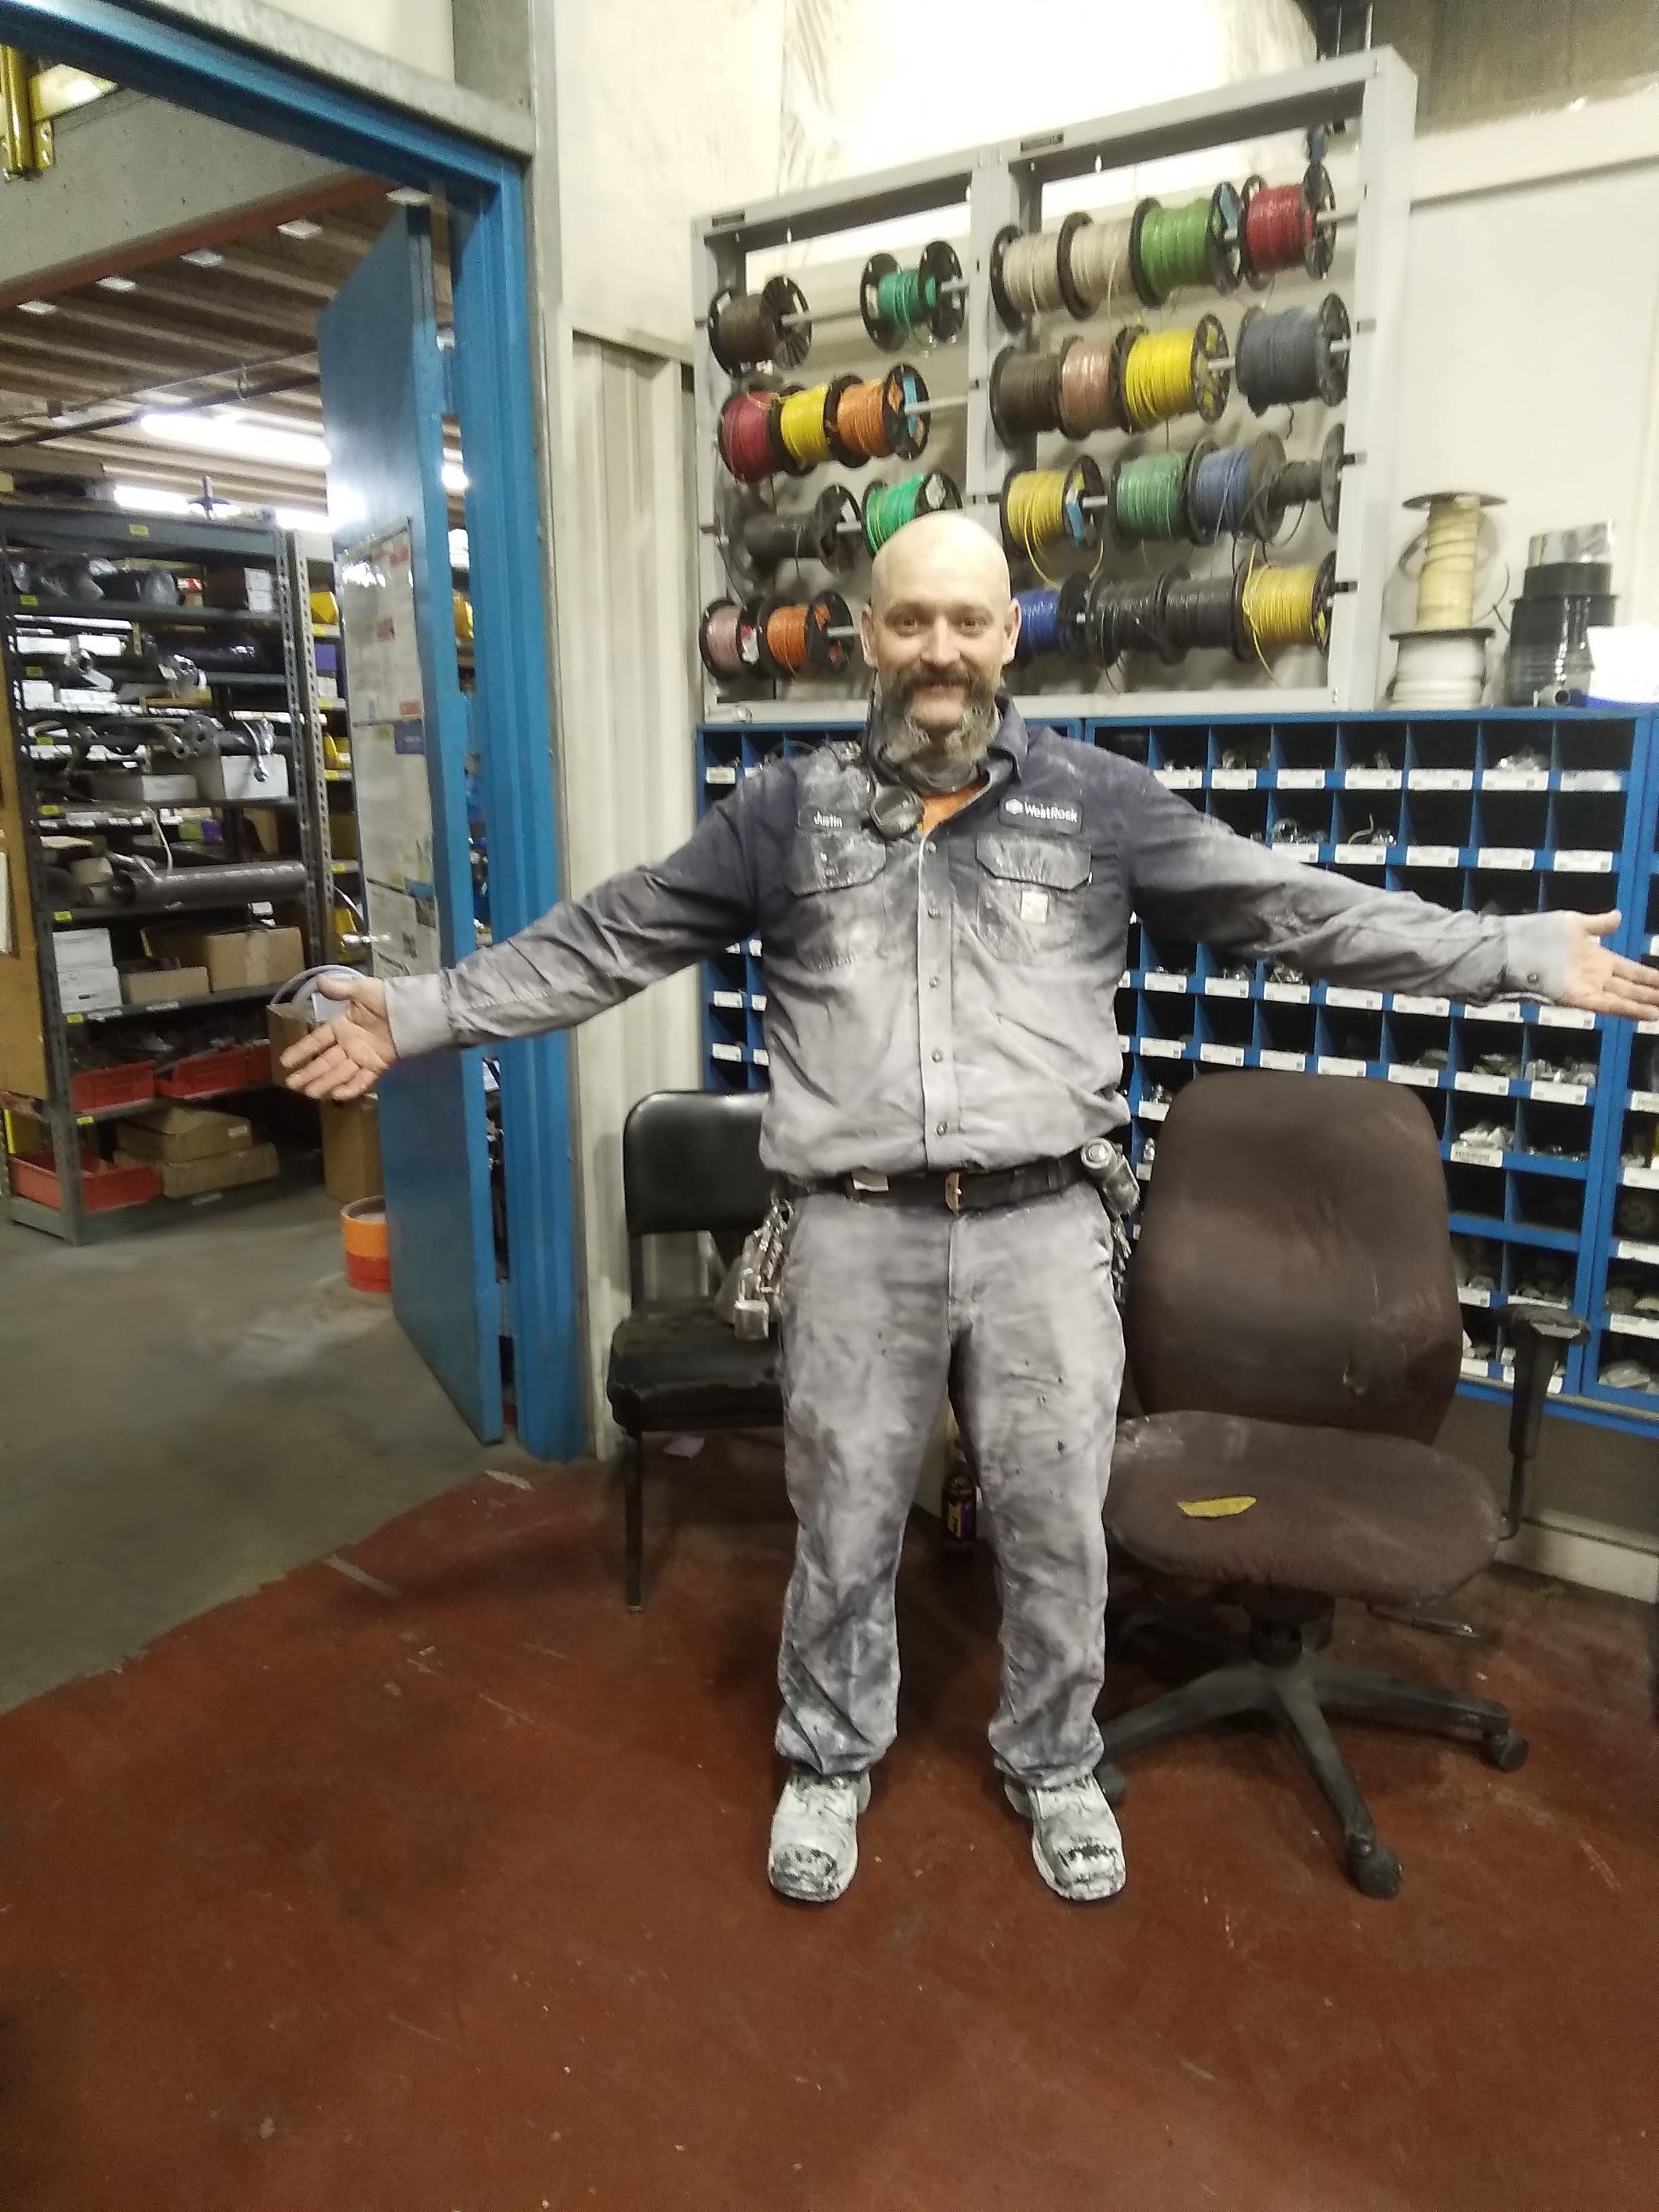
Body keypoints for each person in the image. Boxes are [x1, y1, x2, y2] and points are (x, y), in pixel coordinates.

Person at [283, 513, 1659, 1907]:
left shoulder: (1104, 805)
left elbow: (1293, 908)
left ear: (1011, 635)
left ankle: (1056, 1757)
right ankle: (828, 1757)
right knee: (844, 1518)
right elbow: (609, 938)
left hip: (1045, 1232)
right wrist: (417, 1012)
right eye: (910, 620)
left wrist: (1512, 952)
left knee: (1057, 1519)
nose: (938, 649)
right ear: (866, 634)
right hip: (852, 1229)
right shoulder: (784, 814)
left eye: (967, 621)